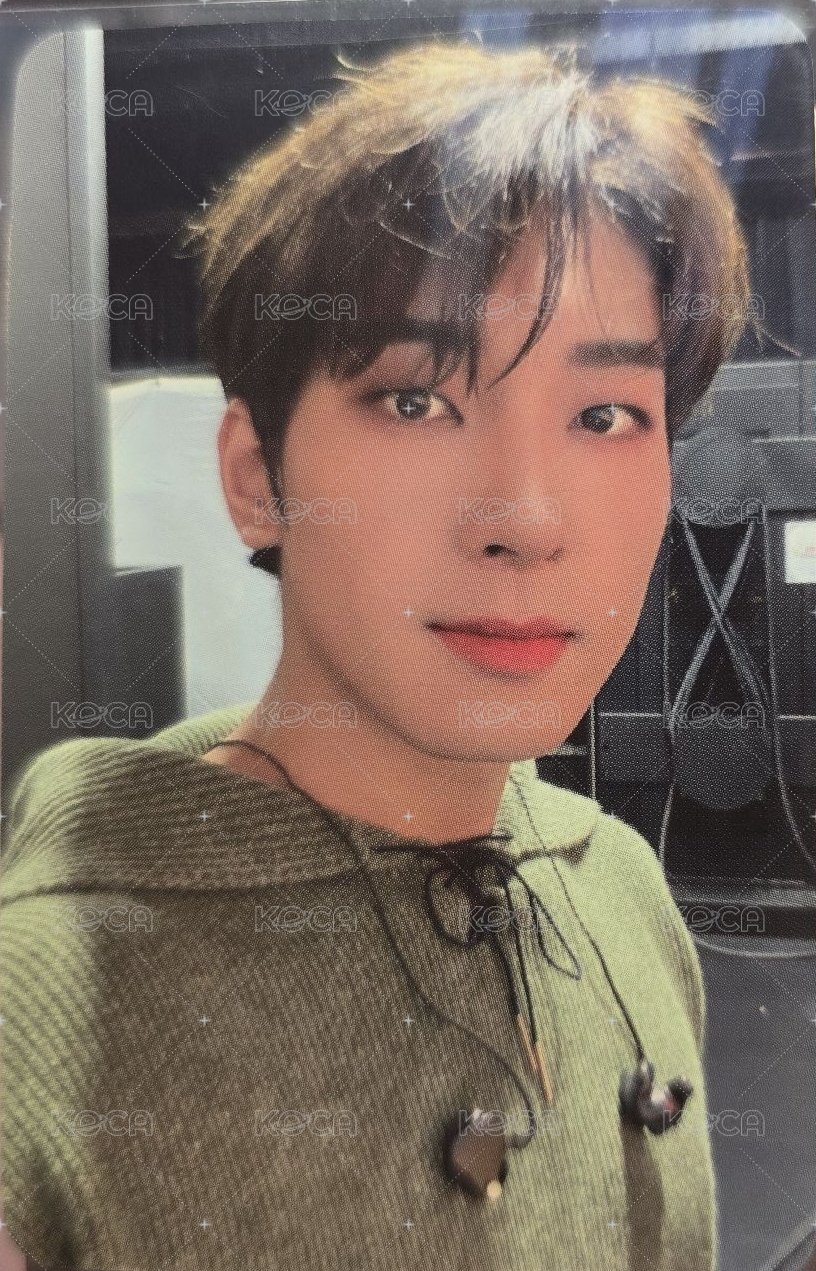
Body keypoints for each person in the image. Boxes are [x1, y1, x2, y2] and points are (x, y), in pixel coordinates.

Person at [0, 36, 755, 1271]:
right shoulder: (52, 1004)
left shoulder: (622, 887)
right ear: (258, 477)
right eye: (418, 399)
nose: (525, 518)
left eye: (604, 413)